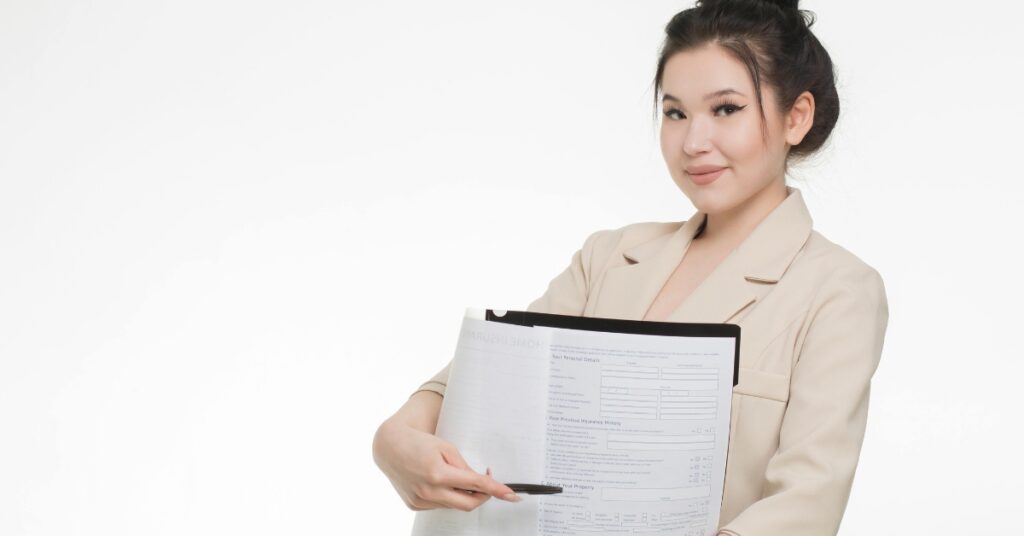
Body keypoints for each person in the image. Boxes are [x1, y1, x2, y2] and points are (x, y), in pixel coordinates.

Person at [372, 0, 890, 534]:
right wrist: (396, 436)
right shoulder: (609, 256)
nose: (694, 143)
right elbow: (491, 378)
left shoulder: (838, 291)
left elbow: (806, 504)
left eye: (726, 109)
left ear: (796, 117)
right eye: (675, 113)